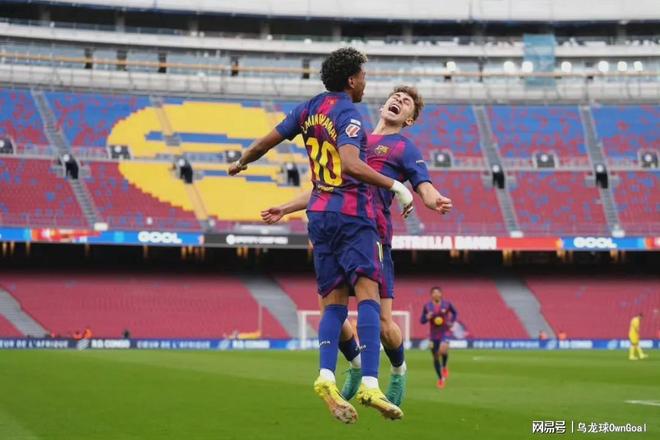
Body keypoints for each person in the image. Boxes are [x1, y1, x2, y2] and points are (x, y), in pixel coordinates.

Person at [228, 47, 414, 423]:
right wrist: (396, 186)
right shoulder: (349, 114)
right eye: (364, 76)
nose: (366, 82)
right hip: (353, 215)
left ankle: (326, 374)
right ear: (351, 79)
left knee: (332, 304)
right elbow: (351, 164)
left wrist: (242, 161)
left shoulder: (307, 108)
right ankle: (371, 383)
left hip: (319, 216)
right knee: (368, 295)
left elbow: (265, 143)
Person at [261, 85, 452, 407]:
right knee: (330, 311)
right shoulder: (353, 137)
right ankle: (355, 365)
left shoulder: (404, 148)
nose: (398, 101)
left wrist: (434, 200)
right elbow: (327, 185)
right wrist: (286, 207)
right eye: (396, 97)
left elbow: (424, 185)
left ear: (410, 119)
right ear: (384, 104)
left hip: (373, 232)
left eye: (406, 102)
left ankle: (398, 371)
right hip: (340, 227)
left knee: (383, 324)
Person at [420, 286, 457, 389]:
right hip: (433, 335)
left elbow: (455, 313)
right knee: (436, 357)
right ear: (431, 295)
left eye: (438, 292)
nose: (436, 294)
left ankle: (444, 366)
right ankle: (441, 379)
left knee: (443, 349)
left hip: (445, 332)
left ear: (441, 294)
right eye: (434, 293)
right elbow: (422, 320)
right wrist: (426, 317)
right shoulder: (427, 306)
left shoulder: (447, 304)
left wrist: (451, 322)